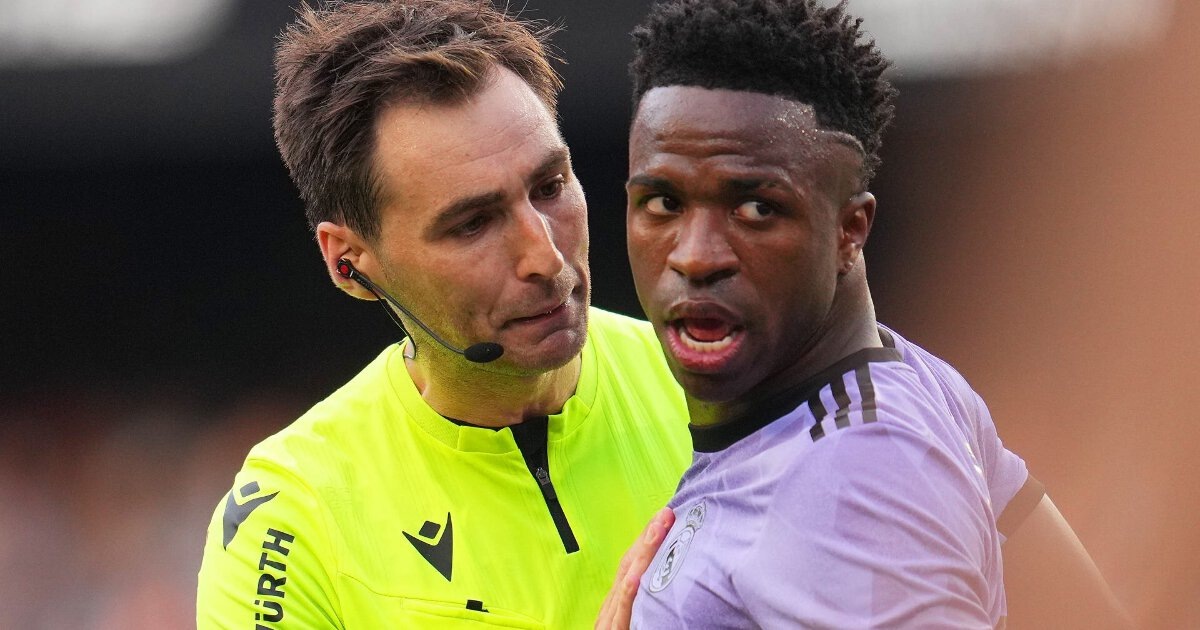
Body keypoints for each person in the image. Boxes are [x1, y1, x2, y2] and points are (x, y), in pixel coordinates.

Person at [596, 0, 1132, 627]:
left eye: (756, 209)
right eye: (662, 202)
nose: (695, 256)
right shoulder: (913, 379)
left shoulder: (856, 473)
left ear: (850, 230)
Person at [195, 1, 692, 627]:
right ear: (350, 262)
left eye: (550, 187)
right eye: (473, 224)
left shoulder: (722, 388)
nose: (544, 256)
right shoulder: (292, 519)